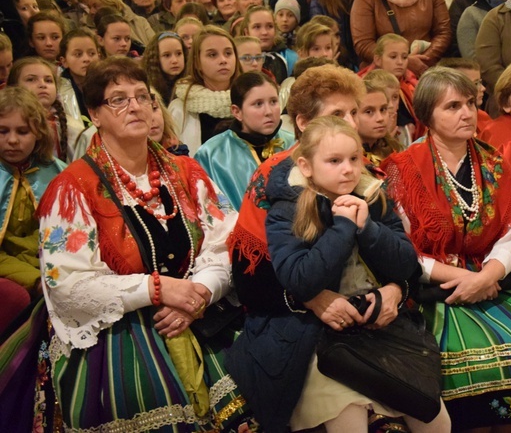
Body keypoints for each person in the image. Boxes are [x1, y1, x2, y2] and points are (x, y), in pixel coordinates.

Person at [36, 56, 253, 432]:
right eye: (118, 99)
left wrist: (200, 290)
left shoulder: (186, 171)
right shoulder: (71, 188)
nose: (135, 106)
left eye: (143, 96)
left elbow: (225, 241)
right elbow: (68, 287)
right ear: (94, 114)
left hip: (200, 313)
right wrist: (157, 288)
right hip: (118, 331)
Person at [381, 68, 511, 430]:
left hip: (494, 281)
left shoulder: (496, 162)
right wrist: (468, 278)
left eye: (468, 103)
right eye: (451, 106)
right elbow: (402, 250)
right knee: (469, 396)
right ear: (426, 116)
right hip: (436, 289)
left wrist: (490, 274)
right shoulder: (402, 170)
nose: (466, 113)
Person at [251, 116, 451, 432]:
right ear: (306, 166)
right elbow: (300, 279)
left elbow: (405, 265)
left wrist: (368, 228)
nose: (348, 169)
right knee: (349, 419)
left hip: (379, 331)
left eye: (354, 159)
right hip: (320, 339)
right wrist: (342, 227)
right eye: (334, 161)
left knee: (436, 421)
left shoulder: (373, 196)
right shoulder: (287, 210)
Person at [0, 86, 66, 332]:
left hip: (50, 265)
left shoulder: (57, 171)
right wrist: (36, 279)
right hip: (12, 272)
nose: (13, 140)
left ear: (38, 133)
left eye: (23, 131)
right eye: (3, 131)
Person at [195, 71, 294, 210]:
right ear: (237, 112)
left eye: (273, 101)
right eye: (258, 104)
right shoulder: (211, 155)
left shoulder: (294, 144)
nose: (269, 111)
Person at [169, 26, 241, 155]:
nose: (223, 60)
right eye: (212, 55)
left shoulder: (247, 99)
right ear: (197, 62)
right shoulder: (179, 108)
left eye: (228, 53)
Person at [7, 57, 86, 162]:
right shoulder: (4, 123)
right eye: (31, 79)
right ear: (14, 87)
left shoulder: (73, 128)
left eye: (48, 80)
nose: (42, 85)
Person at [58, 27, 99, 126]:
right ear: (64, 61)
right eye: (78, 54)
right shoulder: (59, 91)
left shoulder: (106, 83)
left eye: (91, 53)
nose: (86, 59)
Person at [142, 31, 188, 105]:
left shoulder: (194, 84)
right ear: (155, 58)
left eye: (179, 53)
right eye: (167, 55)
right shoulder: (148, 88)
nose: (174, 60)